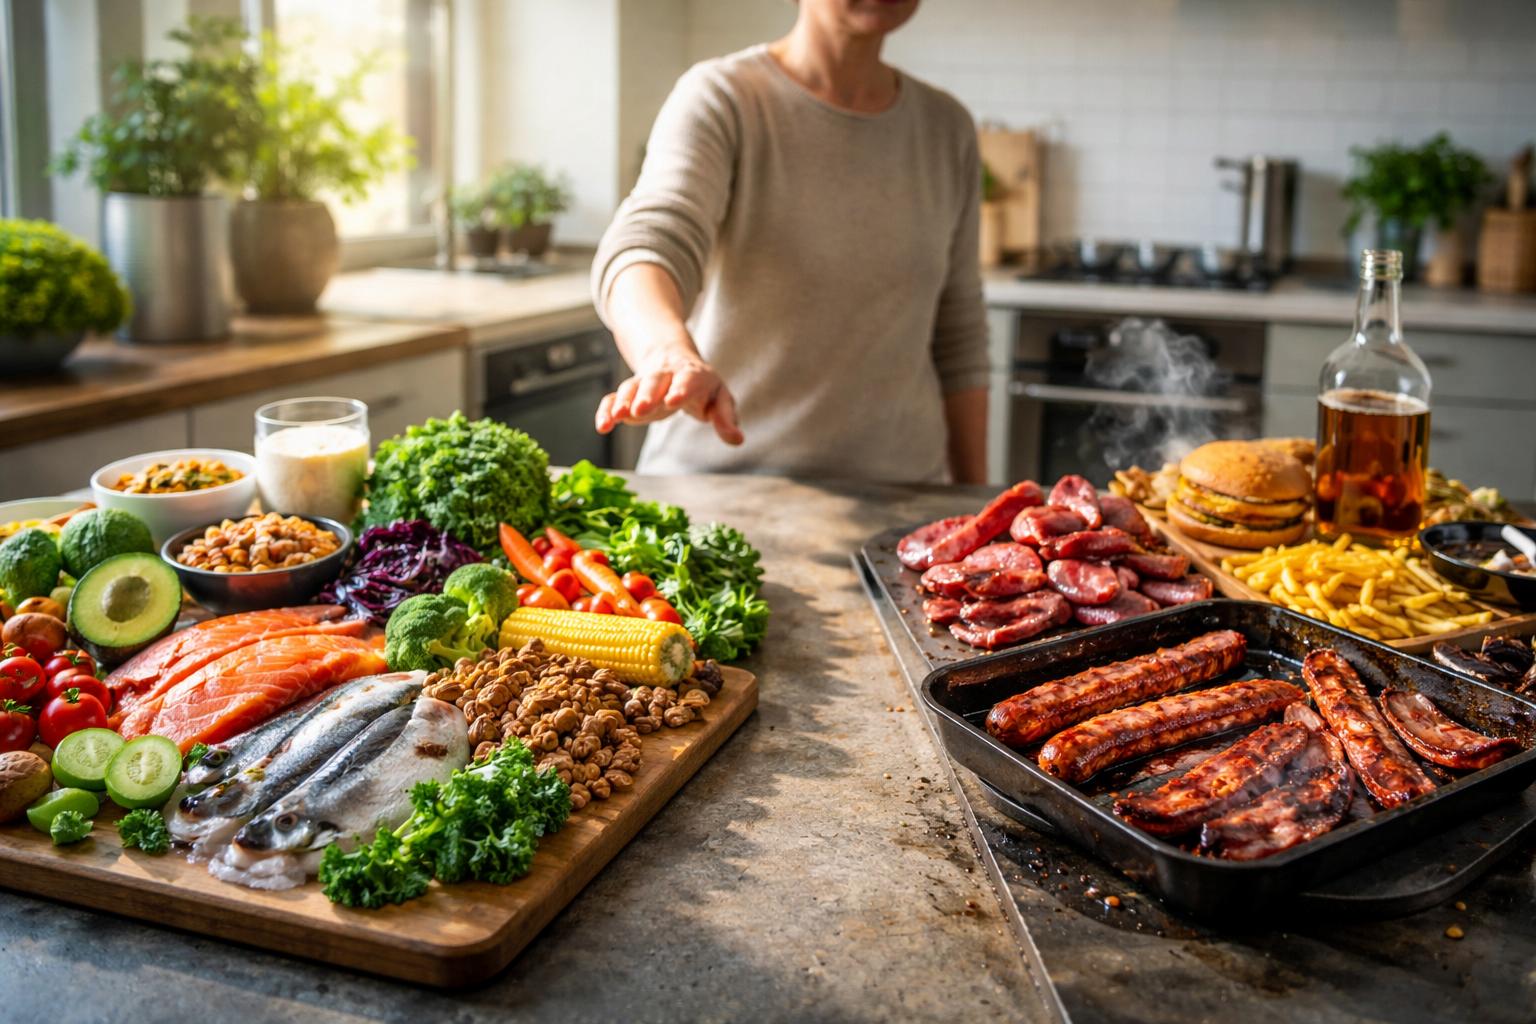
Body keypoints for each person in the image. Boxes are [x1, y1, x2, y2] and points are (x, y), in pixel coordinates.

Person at [590, 0, 989, 484]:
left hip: (902, 501)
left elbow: (959, 332)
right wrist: (667, 354)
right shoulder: (723, 96)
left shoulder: (946, 127)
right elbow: (647, 243)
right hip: (718, 489)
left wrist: (977, 497)